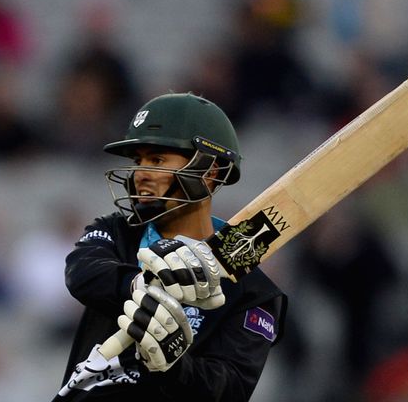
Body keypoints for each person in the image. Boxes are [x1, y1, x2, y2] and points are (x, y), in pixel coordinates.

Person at [54, 93, 287, 401]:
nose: (141, 174)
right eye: (139, 161)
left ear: (209, 171)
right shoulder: (119, 232)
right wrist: (140, 284)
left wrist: (174, 364)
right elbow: (82, 274)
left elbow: (230, 389)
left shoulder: (252, 291)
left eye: (157, 160)